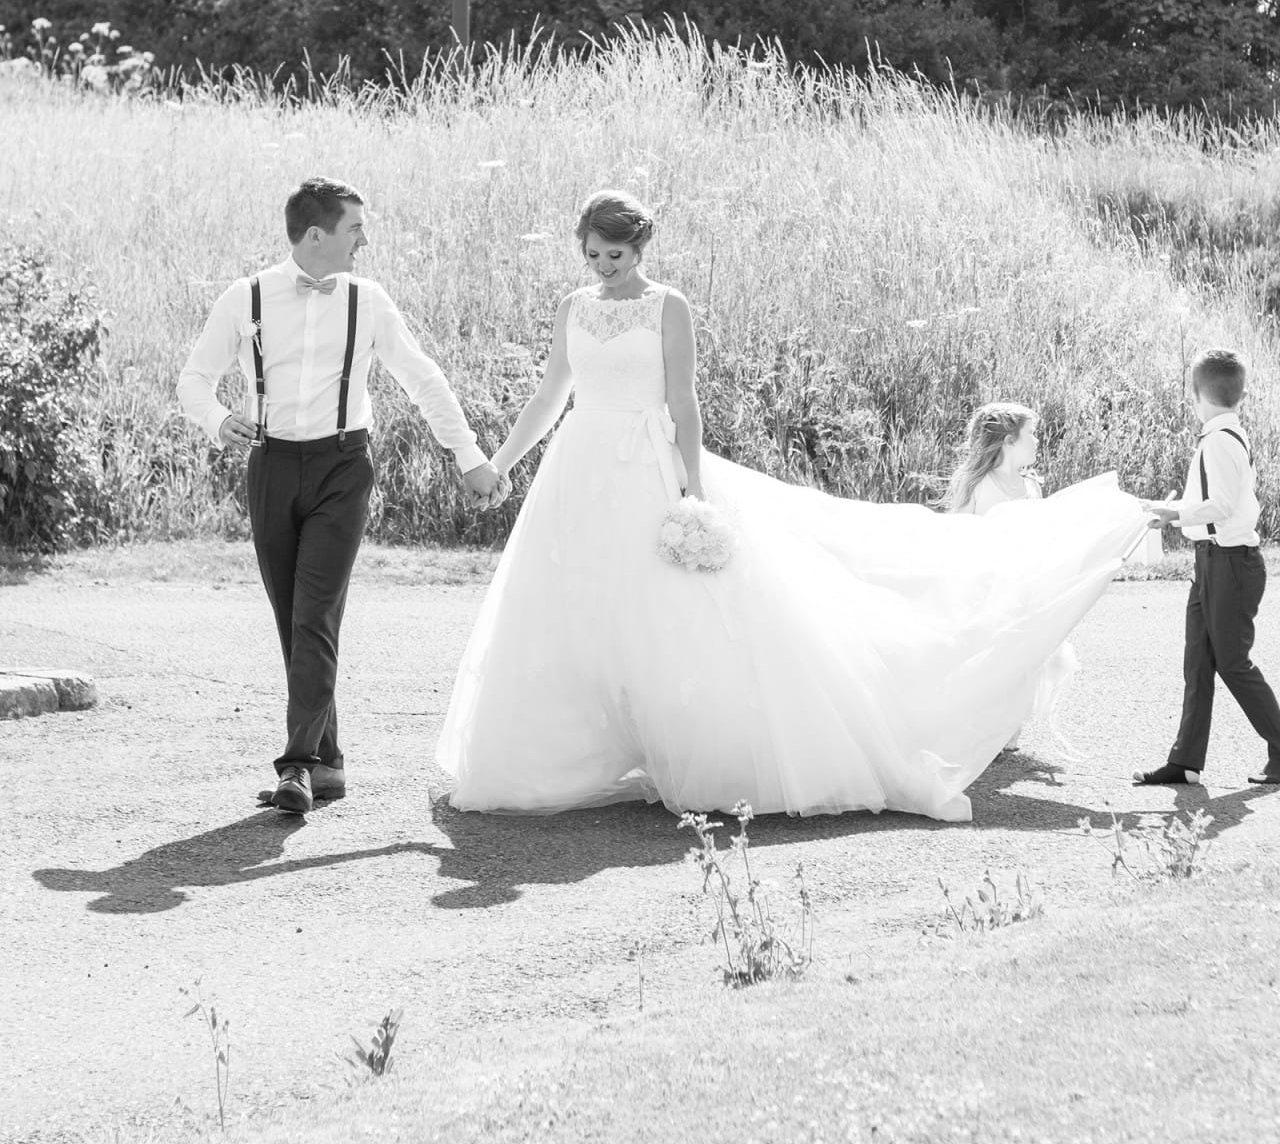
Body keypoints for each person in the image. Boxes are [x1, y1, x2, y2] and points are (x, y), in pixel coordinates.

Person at [436, 190, 1146, 823]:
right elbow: (551, 394)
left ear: (641, 247)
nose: (603, 267)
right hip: (578, 466)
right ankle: (574, 746)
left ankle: (683, 746)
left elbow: (683, 401)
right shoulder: (574, 307)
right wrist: (501, 462)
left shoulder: (667, 305)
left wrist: (690, 487)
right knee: (574, 601)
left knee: (670, 609)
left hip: (647, 461)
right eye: (592, 254)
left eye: (615, 254)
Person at [179, 176, 503, 814]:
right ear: (316, 234)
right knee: (291, 620)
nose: (365, 240)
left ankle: (296, 766)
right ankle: (328, 765)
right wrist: (220, 420)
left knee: (314, 616)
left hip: (342, 467)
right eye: (356, 227)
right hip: (270, 467)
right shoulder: (244, 297)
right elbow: (194, 379)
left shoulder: (369, 300)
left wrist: (467, 455)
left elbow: (423, 378)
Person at [1133, 346, 1280, 789]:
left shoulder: (1218, 441)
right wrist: (1171, 509)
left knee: (1233, 663)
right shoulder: (1224, 435)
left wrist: (1173, 514)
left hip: (1230, 563)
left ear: (1197, 395)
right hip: (1211, 560)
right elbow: (1210, 503)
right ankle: (1185, 761)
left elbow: (1219, 505)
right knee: (1198, 661)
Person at [944, 403, 1071, 752]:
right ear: (1009, 440)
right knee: (989, 656)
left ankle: (1007, 725)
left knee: (1023, 657)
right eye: (1031, 433)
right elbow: (957, 535)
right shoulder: (978, 484)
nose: (1037, 440)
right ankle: (984, 728)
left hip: (1026, 586)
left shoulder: (1032, 486)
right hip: (987, 586)